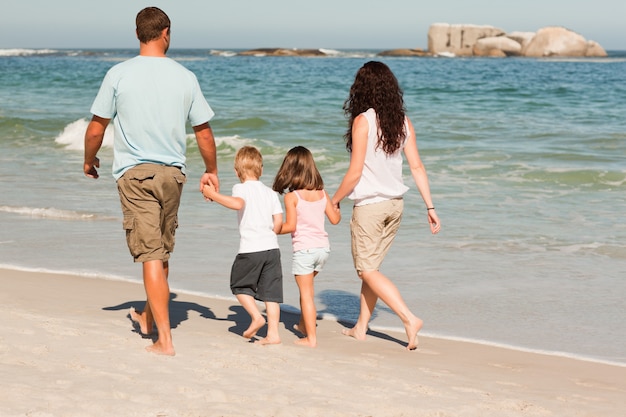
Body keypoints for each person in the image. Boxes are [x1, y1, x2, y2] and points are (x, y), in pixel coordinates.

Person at [83, 7, 219, 356]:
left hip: (135, 175)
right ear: (166, 33)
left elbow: (97, 126)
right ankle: (147, 317)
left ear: (137, 34)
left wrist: (89, 159)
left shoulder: (118, 74)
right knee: (160, 251)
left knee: (151, 254)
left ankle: (165, 340)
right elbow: (203, 132)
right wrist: (212, 170)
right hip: (173, 175)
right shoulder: (185, 76)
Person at [331, 61, 441, 351]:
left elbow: (355, 173)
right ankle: (360, 328)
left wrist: (334, 199)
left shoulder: (363, 121)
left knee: (366, 270)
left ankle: (409, 318)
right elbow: (416, 166)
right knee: (372, 269)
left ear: (361, 89)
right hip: (396, 206)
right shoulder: (402, 121)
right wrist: (430, 207)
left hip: (371, 206)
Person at [202, 146, 284, 345]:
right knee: (271, 294)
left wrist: (212, 194)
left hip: (250, 249)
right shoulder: (270, 192)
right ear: (261, 170)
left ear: (237, 172)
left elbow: (238, 204)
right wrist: (269, 234)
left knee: (239, 285)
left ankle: (256, 317)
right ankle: (273, 334)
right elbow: (279, 223)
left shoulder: (240, 188)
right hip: (272, 249)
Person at [272, 146, 341, 347]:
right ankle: (303, 326)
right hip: (323, 250)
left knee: (306, 294)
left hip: (304, 250)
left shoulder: (292, 197)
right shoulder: (322, 193)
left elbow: (290, 226)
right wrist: (337, 207)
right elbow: (335, 219)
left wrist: (273, 228)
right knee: (307, 290)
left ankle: (311, 338)